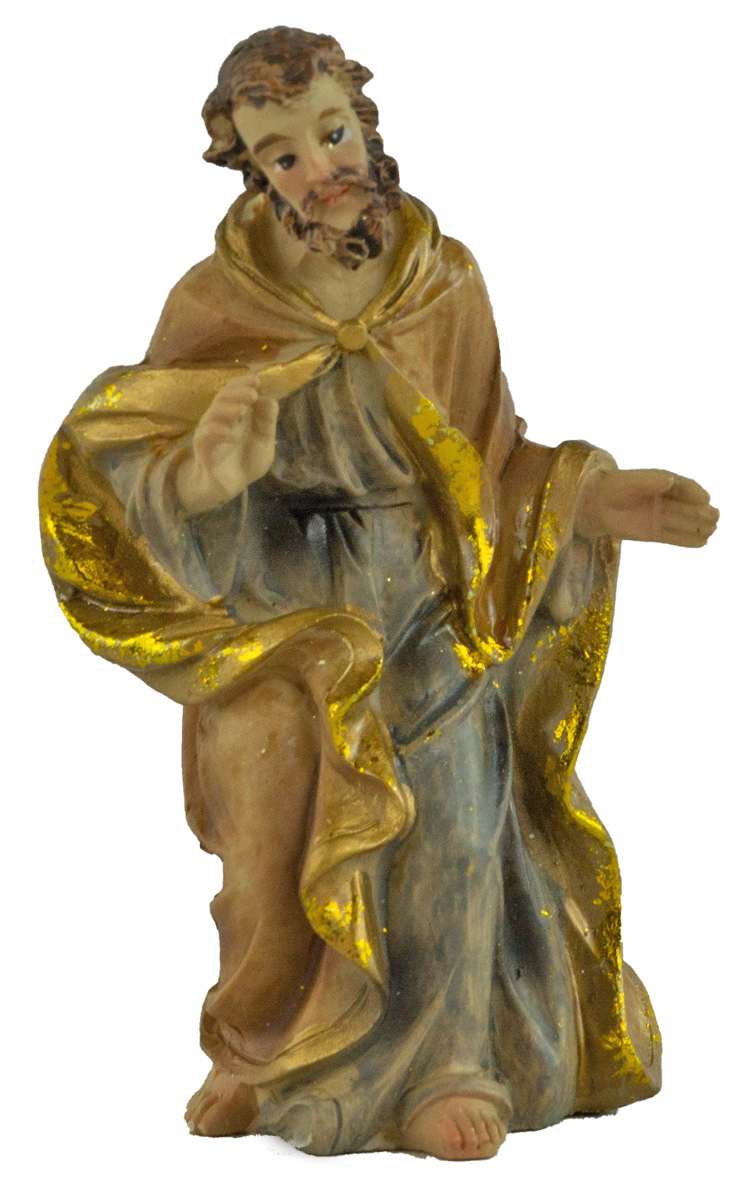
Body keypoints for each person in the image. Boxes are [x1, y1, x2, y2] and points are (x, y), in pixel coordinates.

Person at [39, 27, 718, 1160]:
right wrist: (207, 476)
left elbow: (490, 453)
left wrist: (597, 501)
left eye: (333, 132)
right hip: (280, 605)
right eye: (283, 155)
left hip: (426, 587)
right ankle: (263, 1051)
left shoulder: (443, 281)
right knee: (269, 845)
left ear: (366, 121)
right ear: (251, 171)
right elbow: (129, 462)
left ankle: (452, 1060)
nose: (321, 168)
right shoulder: (216, 298)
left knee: (454, 822)